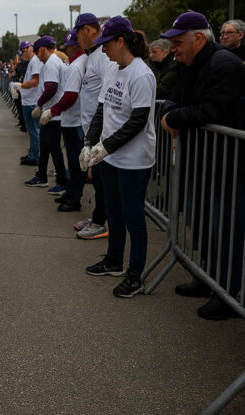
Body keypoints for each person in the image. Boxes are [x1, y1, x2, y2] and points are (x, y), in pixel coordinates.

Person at [159, 11, 245, 319]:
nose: (174, 50)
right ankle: (207, 277)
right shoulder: (189, 64)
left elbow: (213, 110)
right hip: (203, 163)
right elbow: (172, 100)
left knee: (225, 231)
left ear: (198, 38)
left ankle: (226, 293)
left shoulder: (225, 65)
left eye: (178, 42)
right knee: (204, 226)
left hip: (226, 166)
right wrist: (172, 113)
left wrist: (174, 117)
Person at [80, 16, 156, 298]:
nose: (103, 50)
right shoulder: (113, 69)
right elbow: (101, 110)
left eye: (106, 44)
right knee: (113, 211)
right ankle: (113, 260)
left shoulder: (141, 74)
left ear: (120, 41)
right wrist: (89, 143)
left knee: (133, 216)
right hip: (110, 158)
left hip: (134, 160)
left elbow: (137, 121)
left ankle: (135, 275)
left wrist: (105, 147)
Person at [71, 12, 115, 240]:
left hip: (101, 130)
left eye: (78, 32)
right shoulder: (92, 56)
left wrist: (96, 133)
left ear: (88, 29)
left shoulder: (102, 56)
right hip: (92, 128)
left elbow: (106, 96)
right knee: (97, 179)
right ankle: (98, 216)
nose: (76, 38)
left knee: (101, 180)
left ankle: (102, 221)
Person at [42, 29, 87, 212]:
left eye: (68, 47)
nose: (66, 50)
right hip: (71, 119)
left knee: (76, 164)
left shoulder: (77, 65)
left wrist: (52, 111)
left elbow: (70, 96)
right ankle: (70, 193)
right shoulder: (75, 63)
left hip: (75, 120)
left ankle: (74, 198)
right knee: (72, 160)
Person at [24, 35, 67, 195]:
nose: (36, 56)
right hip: (51, 112)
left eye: (36, 52)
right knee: (44, 146)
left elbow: (51, 88)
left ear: (41, 50)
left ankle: (62, 181)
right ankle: (42, 175)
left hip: (53, 114)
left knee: (54, 148)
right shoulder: (53, 62)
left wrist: (39, 105)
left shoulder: (51, 63)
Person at [10, 41, 42, 166]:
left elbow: (35, 81)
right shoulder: (31, 62)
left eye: (23, 51)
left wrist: (21, 85)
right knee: (32, 130)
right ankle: (33, 154)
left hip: (32, 101)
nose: (22, 55)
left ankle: (36, 156)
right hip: (28, 99)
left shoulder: (35, 62)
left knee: (34, 130)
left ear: (30, 49)